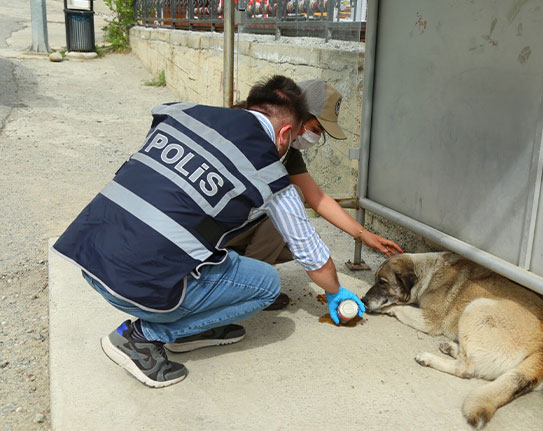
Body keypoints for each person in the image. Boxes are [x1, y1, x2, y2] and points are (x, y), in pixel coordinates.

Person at [52, 75, 366, 388]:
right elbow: (310, 253)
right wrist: (335, 291)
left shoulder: (183, 113)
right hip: (136, 282)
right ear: (286, 132)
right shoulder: (270, 171)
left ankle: (192, 328)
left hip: (90, 255)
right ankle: (140, 338)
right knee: (266, 284)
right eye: (305, 132)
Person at [226, 79, 404, 310]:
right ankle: (243, 288)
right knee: (289, 201)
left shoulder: (286, 149)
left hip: (221, 222)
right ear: (297, 114)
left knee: (291, 242)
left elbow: (318, 198)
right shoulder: (248, 130)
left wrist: (363, 234)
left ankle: (235, 272)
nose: (314, 138)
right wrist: (333, 287)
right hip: (210, 225)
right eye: (316, 129)